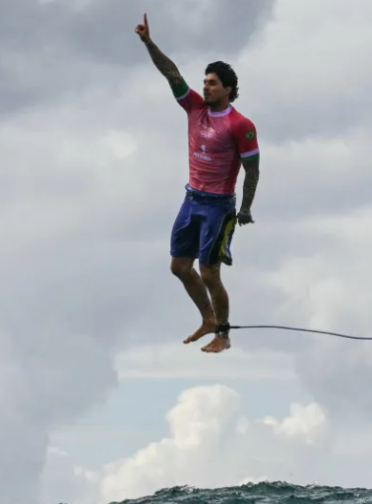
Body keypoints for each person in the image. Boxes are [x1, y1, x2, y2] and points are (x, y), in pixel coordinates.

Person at [135, 13, 261, 354]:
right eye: (205, 82)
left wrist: (245, 208)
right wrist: (149, 43)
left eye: (212, 83)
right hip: (192, 199)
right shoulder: (194, 108)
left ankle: (223, 333)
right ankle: (207, 317)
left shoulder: (241, 125)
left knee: (209, 272)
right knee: (179, 266)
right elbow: (171, 72)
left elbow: (253, 169)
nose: (205, 87)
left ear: (228, 90)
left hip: (218, 207)